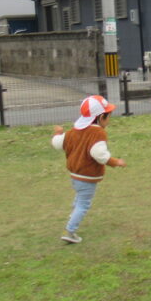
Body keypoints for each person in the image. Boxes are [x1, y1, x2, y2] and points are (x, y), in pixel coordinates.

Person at [52, 94, 126, 244]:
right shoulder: (98, 133)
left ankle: (73, 216)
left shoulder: (73, 131)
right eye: (108, 116)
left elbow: (57, 143)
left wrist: (58, 133)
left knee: (80, 198)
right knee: (84, 204)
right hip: (87, 176)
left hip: (74, 174)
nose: (109, 119)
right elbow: (99, 154)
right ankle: (70, 231)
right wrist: (115, 162)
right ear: (100, 117)